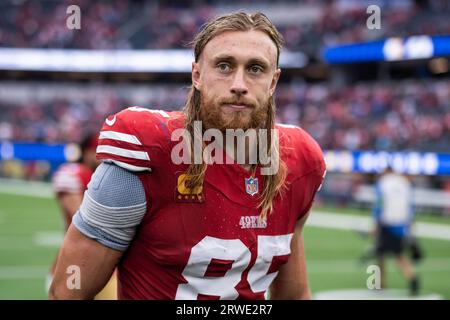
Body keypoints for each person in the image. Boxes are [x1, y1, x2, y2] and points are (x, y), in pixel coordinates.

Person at [49, 12, 326, 300]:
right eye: (224, 66)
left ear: (273, 82)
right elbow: (67, 294)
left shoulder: (300, 160)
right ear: (197, 75)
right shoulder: (149, 151)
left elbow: (294, 295)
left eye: (256, 68)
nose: (239, 84)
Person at [50, 133, 117, 300]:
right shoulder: (77, 173)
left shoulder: (103, 177)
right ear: (88, 152)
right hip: (77, 265)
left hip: (100, 264)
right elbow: (85, 222)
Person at [373, 166, 420, 295]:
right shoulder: (404, 183)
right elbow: (410, 206)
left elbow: (379, 205)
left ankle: (381, 283)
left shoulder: (382, 183)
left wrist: (375, 225)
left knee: (383, 255)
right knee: (396, 254)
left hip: (386, 223)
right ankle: (410, 277)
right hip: (401, 224)